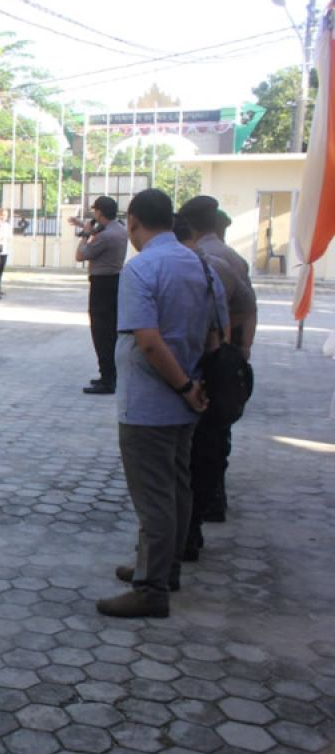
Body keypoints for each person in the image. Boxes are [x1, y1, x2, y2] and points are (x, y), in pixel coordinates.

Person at [97, 188, 227, 619]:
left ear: (132, 221)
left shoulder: (143, 269)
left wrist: (182, 386)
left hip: (152, 403)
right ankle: (163, 568)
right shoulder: (202, 266)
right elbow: (216, 335)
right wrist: (195, 386)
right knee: (177, 488)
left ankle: (151, 589)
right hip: (188, 401)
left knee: (153, 498)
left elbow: (149, 343)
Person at [175, 196, 258, 558]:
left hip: (210, 364)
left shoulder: (207, 261)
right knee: (215, 441)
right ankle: (211, 503)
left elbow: (205, 319)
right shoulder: (232, 257)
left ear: (190, 226)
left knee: (200, 449)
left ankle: (189, 533)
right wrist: (240, 350)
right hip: (229, 361)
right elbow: (249, 309)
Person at [73, 196, 128, 395]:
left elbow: (80, 255)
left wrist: (85, 235)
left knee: (101, 332)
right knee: (110, 331)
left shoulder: (105, 236)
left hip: (102, 284)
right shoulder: (119, 229)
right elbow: (102, 231)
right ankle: (110, 375)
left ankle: (107, 379)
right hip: (114, 282)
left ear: (100, 213)